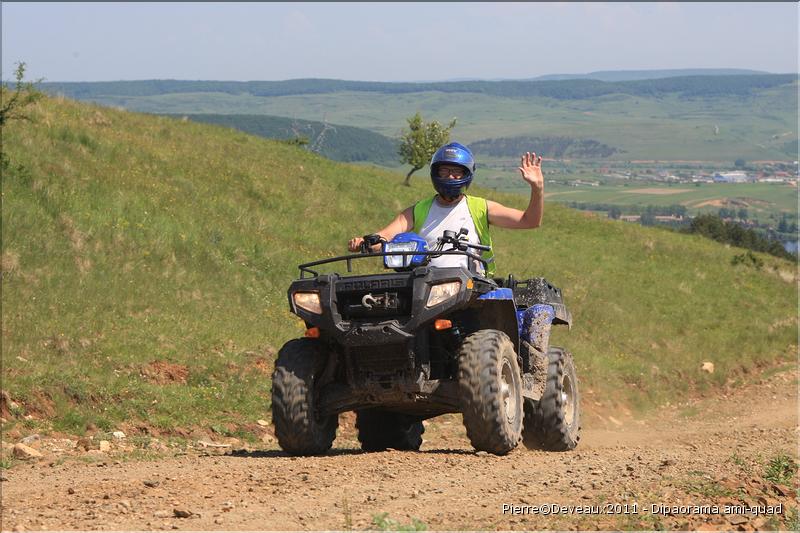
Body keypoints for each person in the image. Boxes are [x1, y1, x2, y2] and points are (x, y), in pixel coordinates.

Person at [347, 142, 544, 277]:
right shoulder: (417, 211)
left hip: (473, 286)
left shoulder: (481, 208)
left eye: (457, 172)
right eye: (445, 171)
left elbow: (530, 221)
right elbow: (384, 236)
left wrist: (537, 188)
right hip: (425, 285)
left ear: (467, 175)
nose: (450, 177)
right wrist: (365, 242)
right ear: (435, 172)